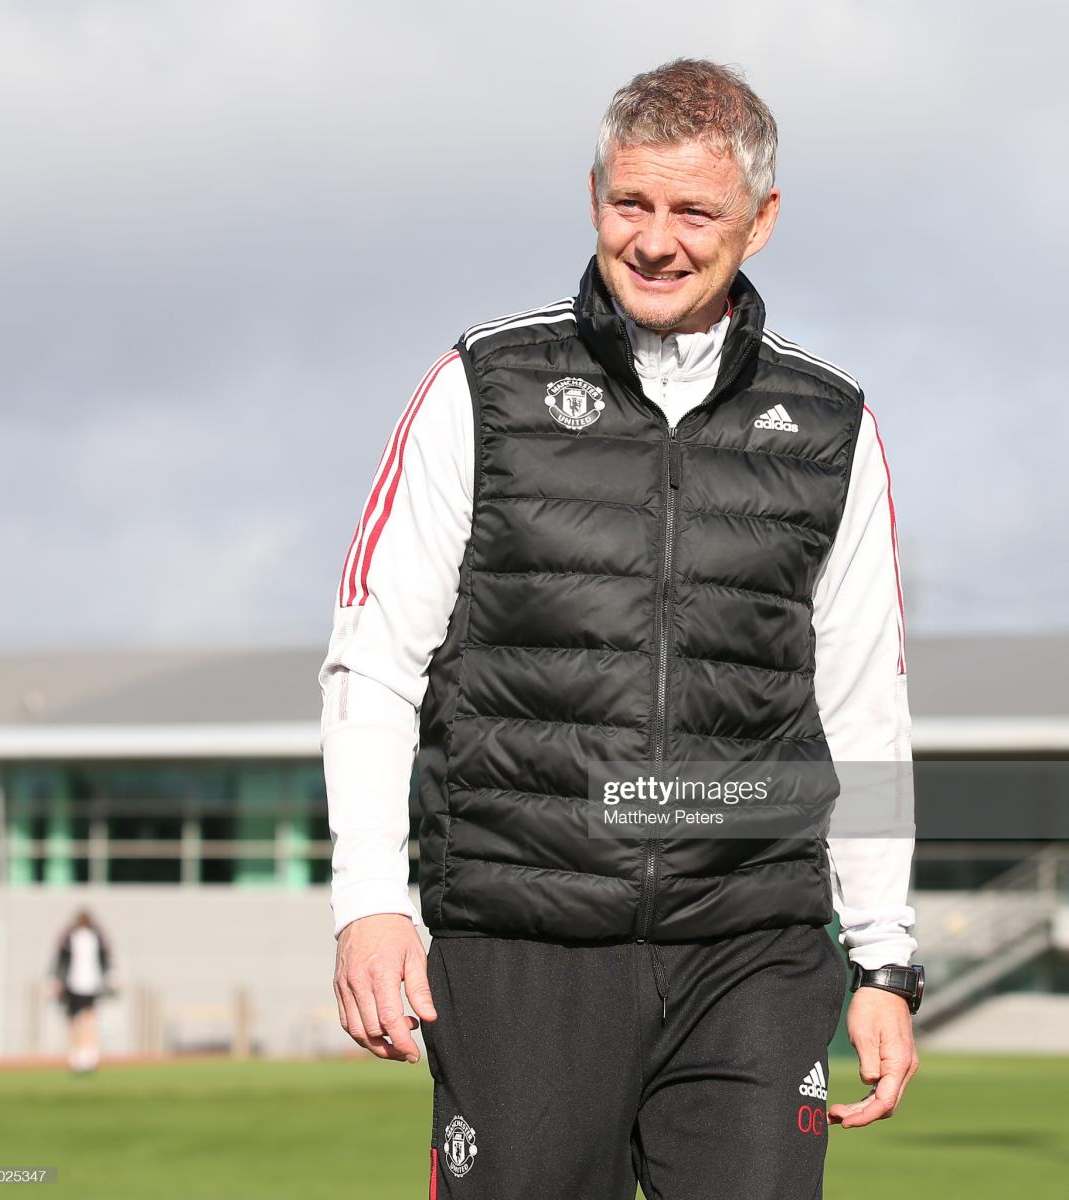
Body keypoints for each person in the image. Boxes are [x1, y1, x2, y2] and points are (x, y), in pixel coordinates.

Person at [320, 58, 923, 1199]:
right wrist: (369, 900)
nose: (655, 240)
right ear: (593, 191)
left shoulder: (832, 428)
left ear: (760, 222)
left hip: (751, 946)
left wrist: (885, 954)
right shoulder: (480, 387)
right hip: (520, 946)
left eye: (694, 210)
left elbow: (863, 707)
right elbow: (371, 663)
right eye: (628, 203)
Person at [46, 907, 116, 1074]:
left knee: (86, 1019)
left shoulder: (96, 937)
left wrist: (109, 975)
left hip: (90, 984)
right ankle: (78, 1055)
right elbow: (61, 961)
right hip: (73, 985)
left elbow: (104, 959)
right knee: (77, 1021)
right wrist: (56, 980)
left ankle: (88, 1054)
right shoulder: (70, 938)